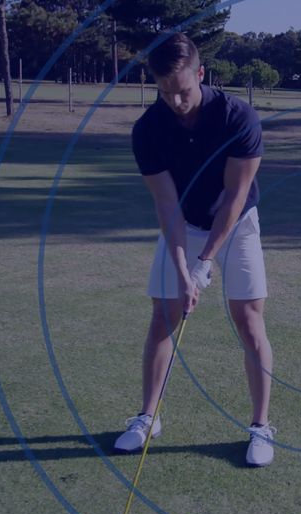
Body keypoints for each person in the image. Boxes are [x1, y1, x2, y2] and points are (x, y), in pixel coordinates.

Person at [114, 32, 276, 467]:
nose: (176, 101)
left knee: (249, 318)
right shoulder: (148, 129)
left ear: (201, 74)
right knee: (164, 314)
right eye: (165, 92)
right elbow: (166, 203)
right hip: (183, 222)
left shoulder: (237, 117)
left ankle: (261, 427)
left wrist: (204, 265)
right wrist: (184, 269)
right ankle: (148, 417)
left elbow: (235, 197)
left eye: (183, 90)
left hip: (237, 223)